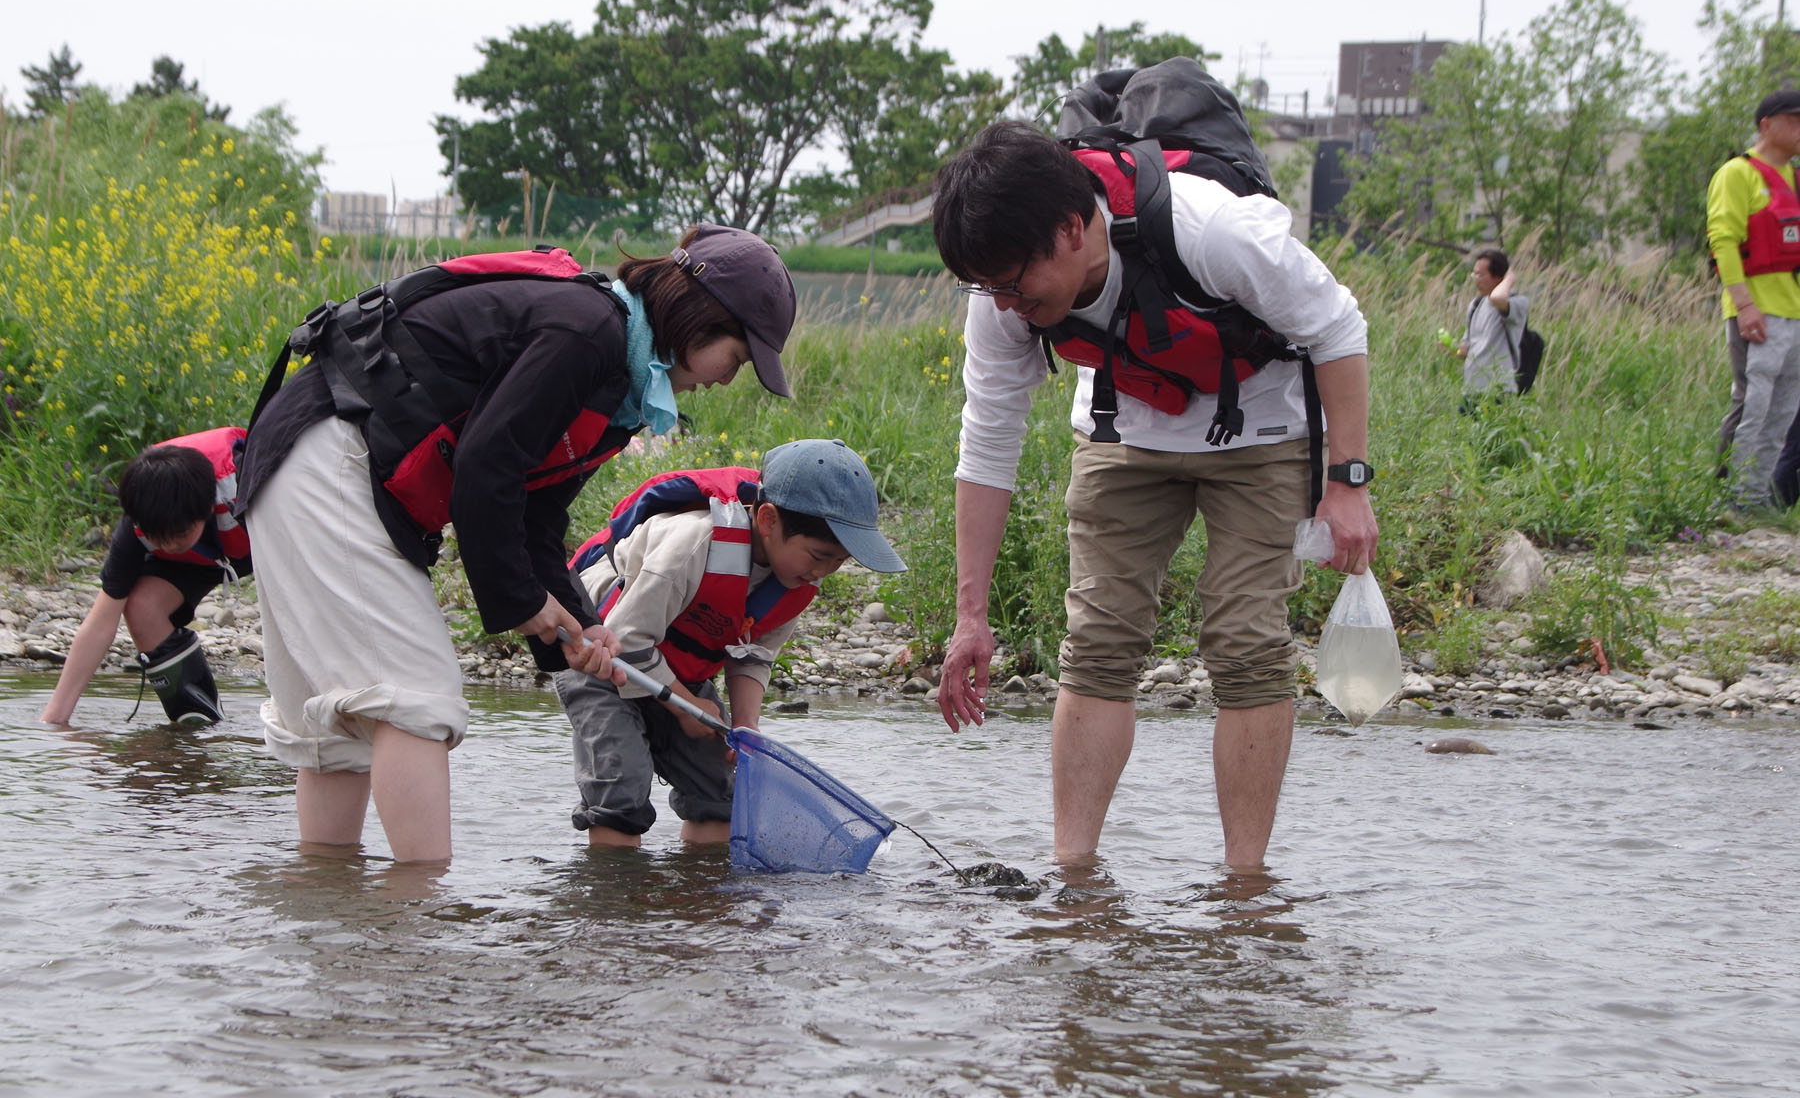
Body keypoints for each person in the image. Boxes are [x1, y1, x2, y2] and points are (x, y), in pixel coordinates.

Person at [235, 225, 796, 863]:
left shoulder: (615, 383)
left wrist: (584, 626)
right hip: (330, 454)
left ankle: (335, 912)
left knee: (335, 727)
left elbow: (532, 516)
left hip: (305, 463)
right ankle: (415, 923)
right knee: (416, 700)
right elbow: (485, 467)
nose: (729, 380)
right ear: (699, 318)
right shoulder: (587, 335)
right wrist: (523, 603)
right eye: (738, 356)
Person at [931, 120, 1377, 874]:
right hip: (1122, 430)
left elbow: (1338, 326)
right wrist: (969, 616)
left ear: (1072, 230)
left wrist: (1348, 483)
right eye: (989, 287)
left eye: (1013, 283)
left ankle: (1244, 885)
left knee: (1245, 644)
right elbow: (987, 444)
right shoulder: (999, 297)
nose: (1004, 304)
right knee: (1099, 641)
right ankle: (1074, 874)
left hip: (1262, 428)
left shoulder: (1213, 231)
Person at [554, 438, 905, 848]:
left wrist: (745, 727)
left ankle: (704, 900)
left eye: (838, 562)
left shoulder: (798, 579)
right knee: (622, 790)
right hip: (601, 659)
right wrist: (687, 709)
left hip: (672, 670)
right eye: (818, 555)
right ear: (769, 520)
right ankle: (618, 901)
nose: (823, 572)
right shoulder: (695, 542)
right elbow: (627, 637)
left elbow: (754, 656)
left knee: (722, 789)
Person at [39, 427, 252, 727]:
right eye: (157, 538)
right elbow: (100, 623)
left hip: (259, 543)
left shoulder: (244, 481)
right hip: (196, 561)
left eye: (178, 534)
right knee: (141, 605)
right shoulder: (141, 519)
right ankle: (199, 724)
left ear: (205, 509)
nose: (168, 545)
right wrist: (55, 720)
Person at [1708, 89, 1800, 507]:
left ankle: (1757, 497)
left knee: (1782, 413)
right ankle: (1732, 495)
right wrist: (1744, 304)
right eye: (1795, 120)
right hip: (1757, 312)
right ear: (1768, 124)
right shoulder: (1737, 173)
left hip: (1794, 312)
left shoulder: (1795, 178)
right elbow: (1723, 241)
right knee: (1753, 406)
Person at [1455, 248, 1529, 411]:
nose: (1476, 280)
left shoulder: (1516, 302)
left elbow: (1497, 298)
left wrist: (1509, 279)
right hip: (1472, 391)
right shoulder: (1475, 305)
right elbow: (1466, 350)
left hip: (1498, 391)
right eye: (1474, 275)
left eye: (1480, 275)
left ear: (1498, 277)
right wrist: (1451, 349)